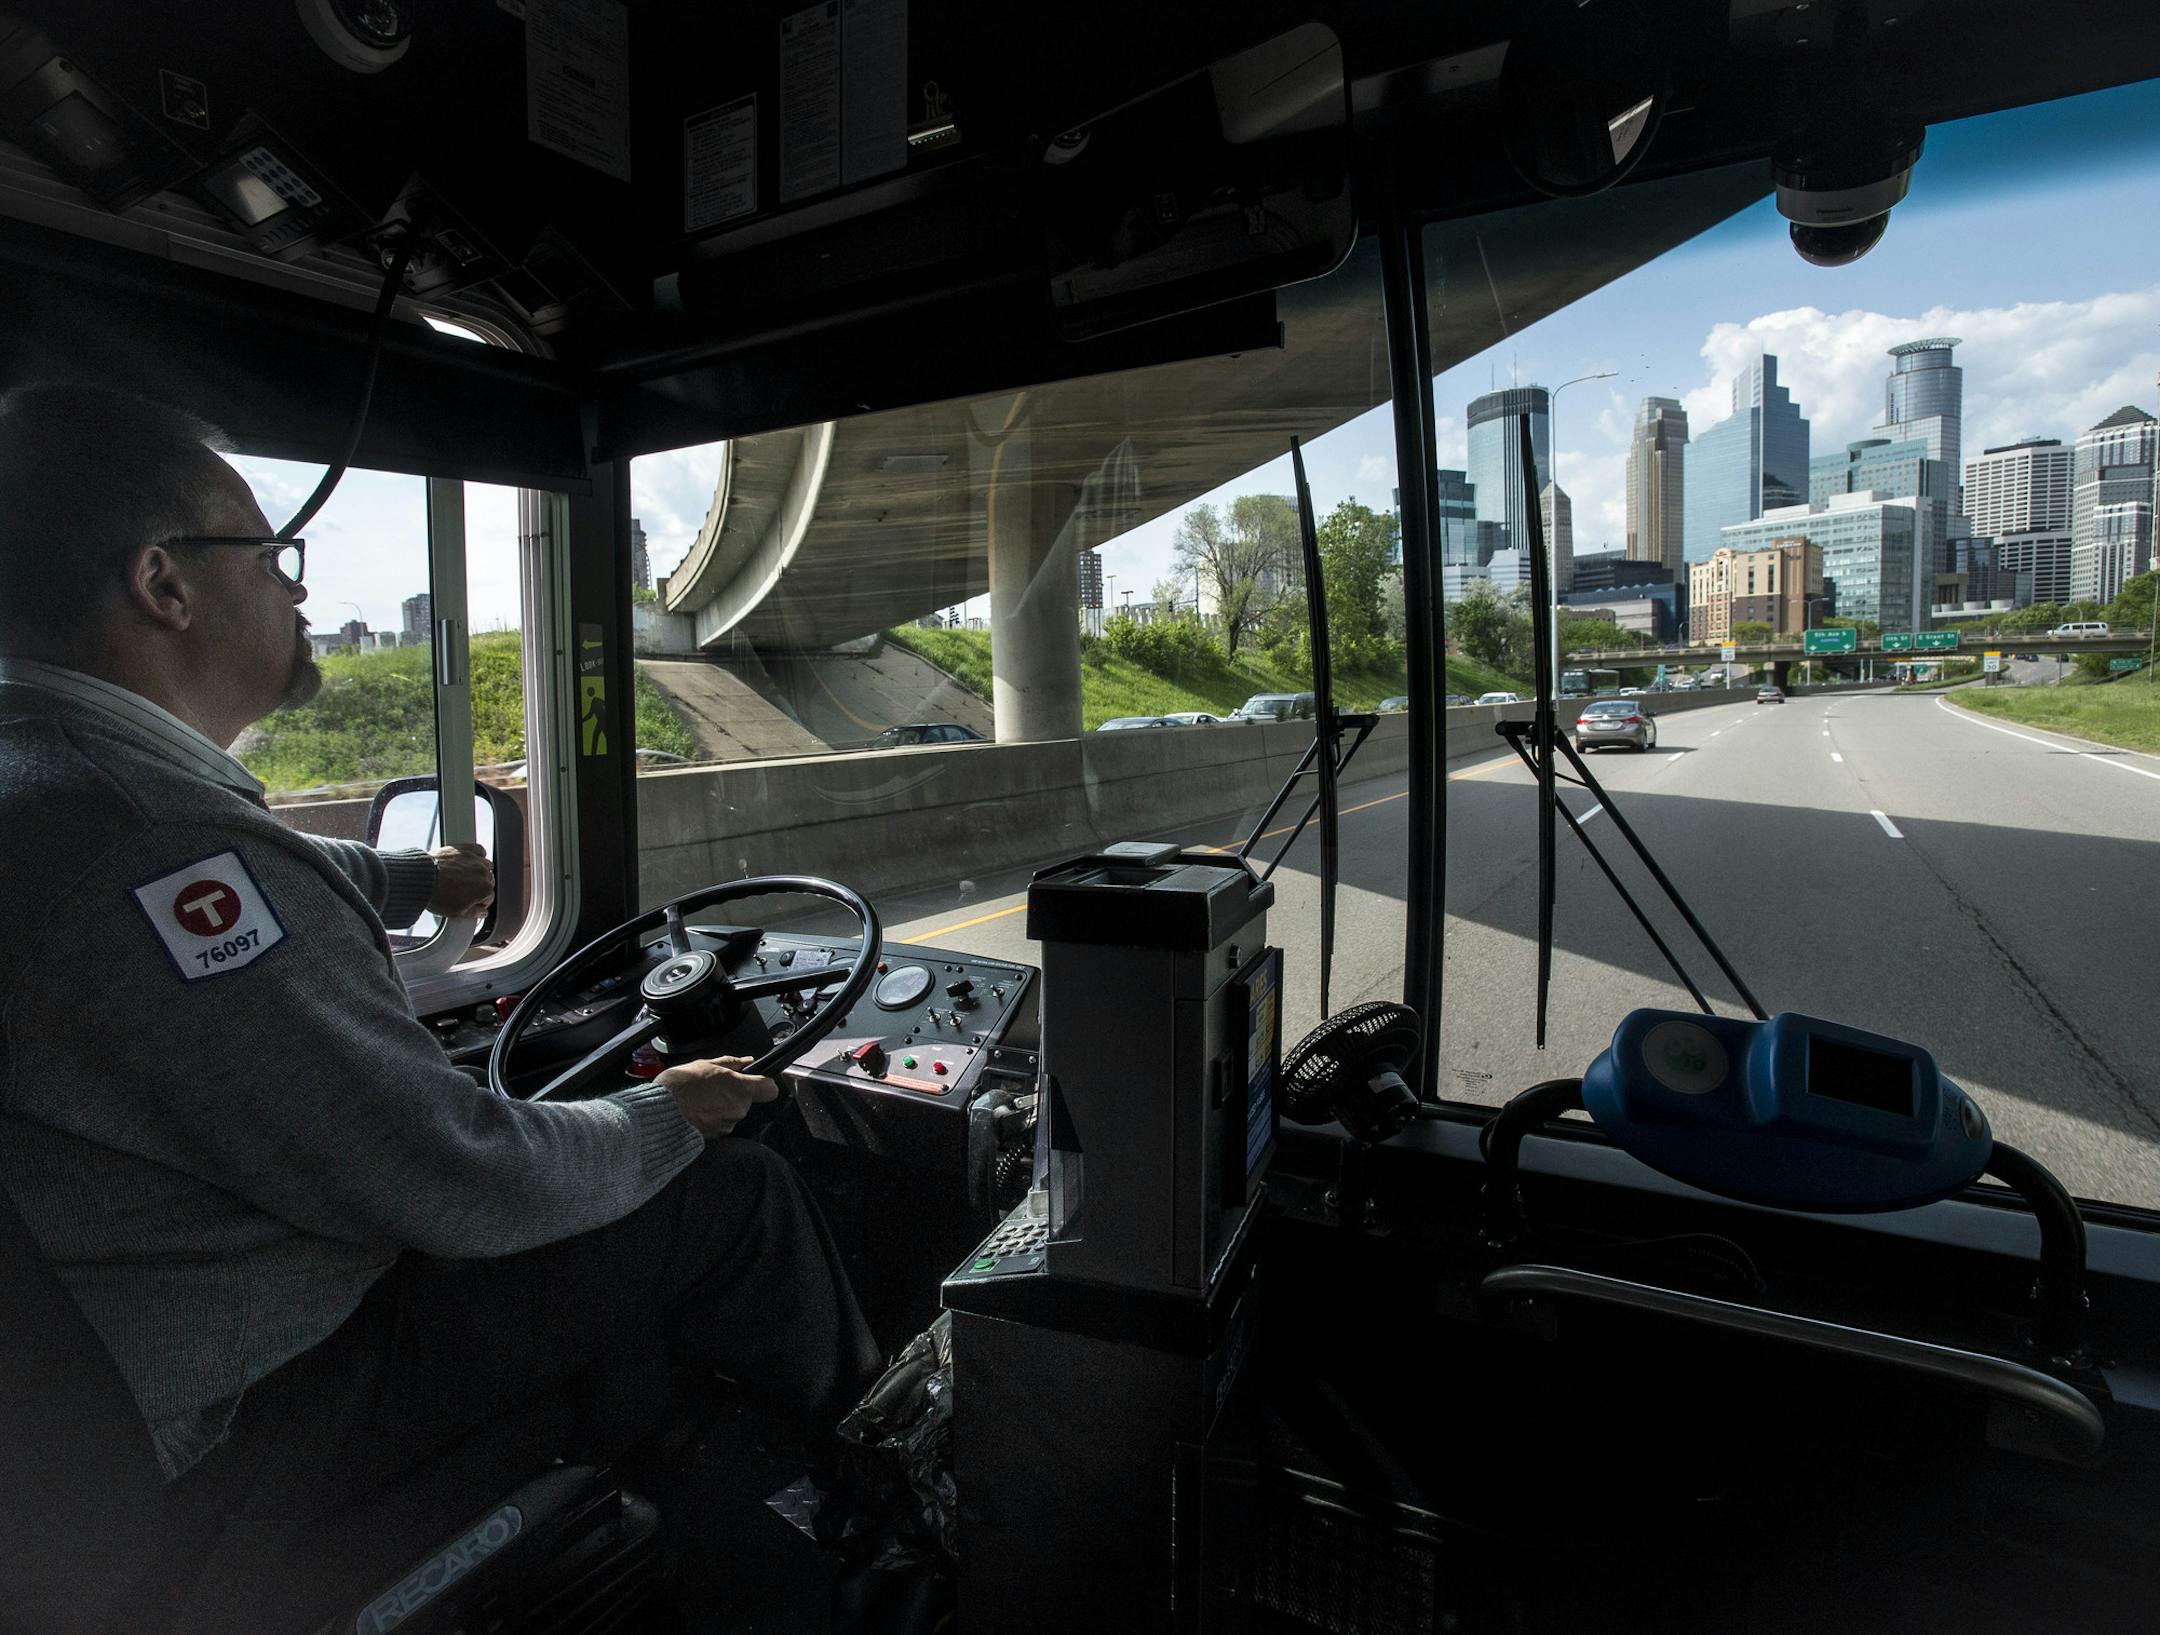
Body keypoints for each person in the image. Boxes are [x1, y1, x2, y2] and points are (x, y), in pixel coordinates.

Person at [0, 384, 882, 1569]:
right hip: (250, 1408)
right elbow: (450, 1172)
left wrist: (410, 876)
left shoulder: (51, 784)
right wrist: (664, 1114)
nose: (298, 588)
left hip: (92, 1398)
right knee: (730, 1192)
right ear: (165, 585)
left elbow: (270, 877)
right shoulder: (158, 848)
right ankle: (880, 1505)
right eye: (271, 557)